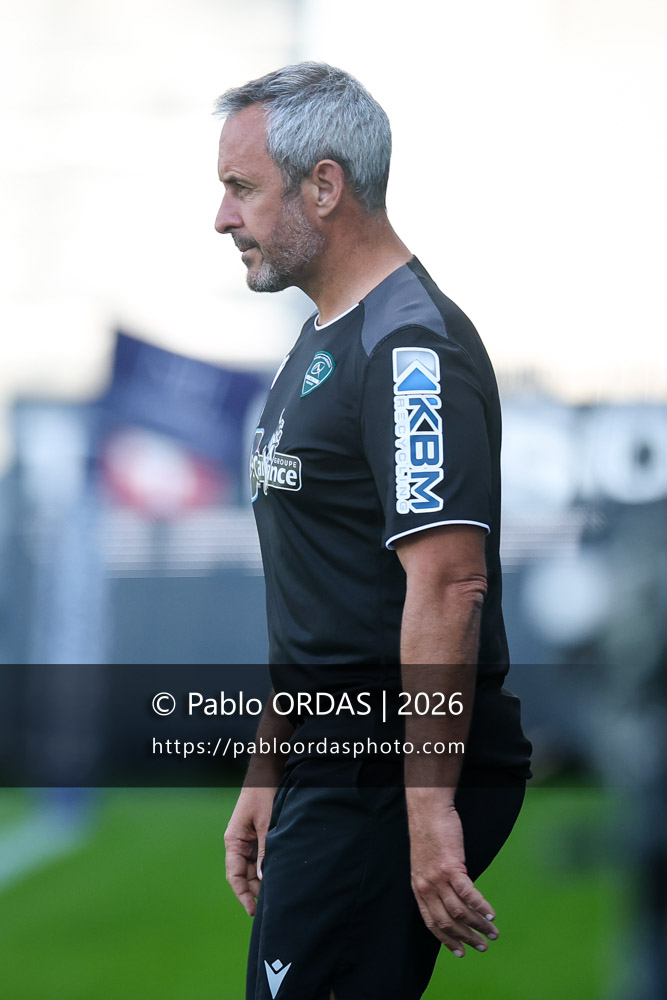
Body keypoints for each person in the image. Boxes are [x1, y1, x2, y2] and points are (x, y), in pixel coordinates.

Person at [214, 62, 531, 1000]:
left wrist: (426, 812)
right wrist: (271, 763)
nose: (223, 218)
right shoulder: (324, 335)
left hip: (384, 775)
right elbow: (336, 592)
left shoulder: (408, 350)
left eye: (241, 189)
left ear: (324, 185)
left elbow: (448, 585)